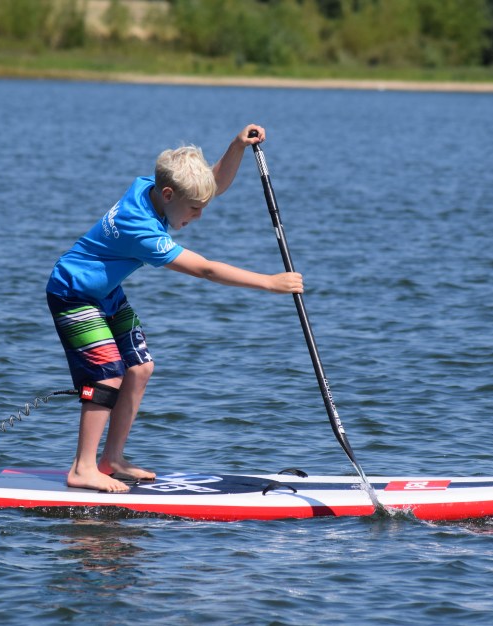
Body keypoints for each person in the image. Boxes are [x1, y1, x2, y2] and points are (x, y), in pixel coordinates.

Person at [46, 124, 303, 493]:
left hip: (106, 293)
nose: (198, 216)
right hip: (73, 294)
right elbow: (205, 269)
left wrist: (236, 147)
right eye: (195, 209)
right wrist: (269, 282)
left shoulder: (151, 187)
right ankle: (83, 468)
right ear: (168, 194)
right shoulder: (142, 230)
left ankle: (112, 459)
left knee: (140, 368)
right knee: (106, 376)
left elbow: (208, 184)